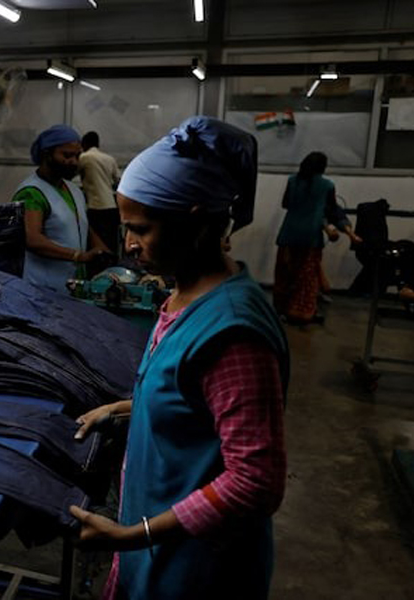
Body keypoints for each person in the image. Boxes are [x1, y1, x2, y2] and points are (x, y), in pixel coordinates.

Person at [68, 116, 289, 600]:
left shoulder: (233, 333)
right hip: (158, 544)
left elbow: (256, 482)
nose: (128, 244)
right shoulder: (180, 296)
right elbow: (194, 397)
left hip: (196, 566)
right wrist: (127, 407)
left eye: (141, 229)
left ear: (196, 222)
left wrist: (135, 535)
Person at [13, 125, 111, 293]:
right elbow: (32, 239)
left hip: (72, 285)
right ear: (46, 155)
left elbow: (81, 224)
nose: (73, 161)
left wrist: (102, 251)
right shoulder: (32, 192)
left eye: (77, 155)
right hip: (43, 288)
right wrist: (78, 256)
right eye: (66, 155)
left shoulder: (73, 190)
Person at [273, 151, 358, 323]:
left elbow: (285, 204)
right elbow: (332, 210)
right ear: (323, 168)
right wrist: (347, 230)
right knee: (306, 276)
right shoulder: (326, 186)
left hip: (288, 234)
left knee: (285, 274)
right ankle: (301, 313)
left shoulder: (292, 181)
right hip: (310, 237)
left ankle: (280, 310)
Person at [78, 131, 122, 255]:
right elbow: (118, 181)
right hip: (111, 207)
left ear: (85, 144)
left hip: (95, 207)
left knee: (95, 245)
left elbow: (71, 174)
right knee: (111, 244)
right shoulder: (109, 158)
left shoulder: (84, 157)